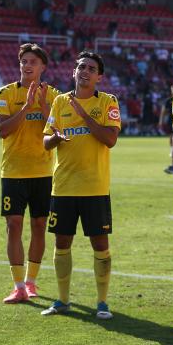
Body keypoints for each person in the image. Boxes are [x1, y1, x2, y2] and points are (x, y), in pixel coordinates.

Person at [40, 51, 121, 320]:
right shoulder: (60, 102)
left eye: (91, 68)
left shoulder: (108, 101)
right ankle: (62, 300)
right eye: (81, 67)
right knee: (62, 242)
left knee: (100, 243)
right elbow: (46, 141)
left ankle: (102, 302)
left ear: (99, 76)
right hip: (63, 186)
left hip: (94, 187)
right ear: (73, 72)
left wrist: (84, 116)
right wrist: (56, 138)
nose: (85, 71)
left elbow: (110, 139)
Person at [0, 44, 59, 303]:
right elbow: (3, 130)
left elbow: (57, 130)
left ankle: (31, 282)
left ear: (43, 67)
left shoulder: (55, 95)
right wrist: (25, 107)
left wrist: (42, 106)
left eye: (33, 61)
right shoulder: (5, 93)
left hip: (43, 171)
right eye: (24, 61)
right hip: (13, 171)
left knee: (40, 225)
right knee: (13, 225)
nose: (27, 65)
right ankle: (18, 285)